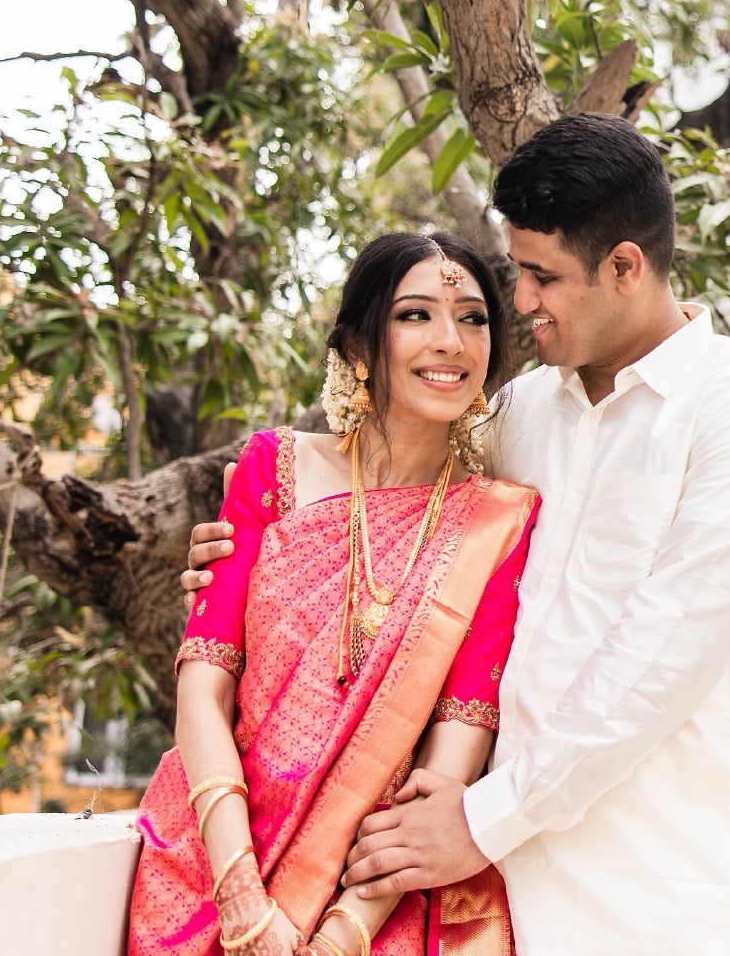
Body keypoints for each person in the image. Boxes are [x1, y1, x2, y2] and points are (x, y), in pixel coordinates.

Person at [186, 113, 730, 956]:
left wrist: (484, 819)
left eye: (541, 276)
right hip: (498, 896)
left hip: (668, 894)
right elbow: (384, 533)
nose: (518, 302)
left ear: (624, 266)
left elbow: (665, 656)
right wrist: (240, 566)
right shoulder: (517, 417)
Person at [130, 232, 537, 956]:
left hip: (378, 889)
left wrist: (342, 934)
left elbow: (453, 754)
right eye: (415, 315)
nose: (450, 342)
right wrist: (241, 896)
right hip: (215, 861)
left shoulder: (496, 522)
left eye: (473, 318)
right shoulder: (269, 470)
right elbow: (203, 686)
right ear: (356, 346)